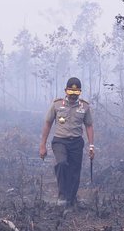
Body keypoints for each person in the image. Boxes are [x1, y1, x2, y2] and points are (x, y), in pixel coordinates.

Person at [39, 77, 95, 207]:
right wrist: (42, 145)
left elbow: (89, 126)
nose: (73, 97)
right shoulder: (57, 105)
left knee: (75, 171)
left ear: (79, 92)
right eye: (71, 93)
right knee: (62, 164)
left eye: (76, 94)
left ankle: (71, 198)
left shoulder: (84, 107)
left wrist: (91, 146)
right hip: (60, 141)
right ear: (66, 91)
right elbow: (47, 123)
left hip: (76, 142)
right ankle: (62, 195)